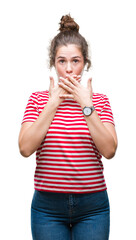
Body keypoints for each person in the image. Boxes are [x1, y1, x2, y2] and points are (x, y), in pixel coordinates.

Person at [19, 14, 117, 240]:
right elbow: (25, 148)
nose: (69, 69)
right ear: (53, 64)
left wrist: (86, 105)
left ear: (85, 63)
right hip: (47, 209)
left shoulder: (98, 101)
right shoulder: (37, 100)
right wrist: (53, 103)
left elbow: (110, 150)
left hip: (93, 208)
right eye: (62, 61)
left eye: (76, 61)